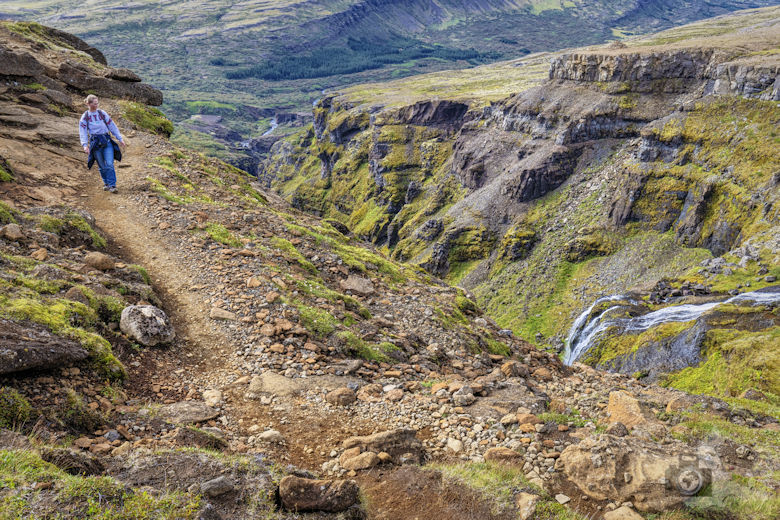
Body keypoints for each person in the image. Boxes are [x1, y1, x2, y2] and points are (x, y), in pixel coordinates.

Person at [79, 95, 126, 193]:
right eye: (94, 103)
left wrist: (120, 138)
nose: (96, 105)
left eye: (97, 103)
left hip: (106, 141)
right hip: (95, 143)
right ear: (88, 104)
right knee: (101, 166)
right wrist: (85, 145)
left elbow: (112, 126)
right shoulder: (85, 117)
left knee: (109, 164)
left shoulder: (102, 113)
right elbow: (82, 131)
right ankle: (106, 183)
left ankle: (112, 185)